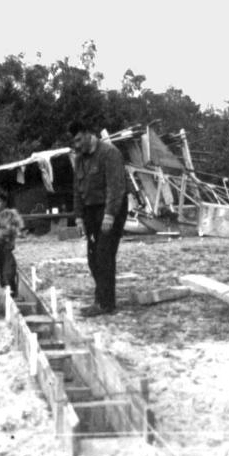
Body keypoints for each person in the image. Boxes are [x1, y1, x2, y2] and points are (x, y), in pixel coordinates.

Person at [69, 121, 128, 317]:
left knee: (104, 256)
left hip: (110, 209)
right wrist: (78, 217)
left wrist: (110, 215)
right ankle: (101, 299)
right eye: (74, 141)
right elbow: (78, 190)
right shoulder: (79, 159)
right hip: (90, 211)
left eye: (78, 140)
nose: (76, 145)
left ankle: (105, 304)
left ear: (88, 133)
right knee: (93, 258)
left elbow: (116, 187)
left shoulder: (109, 153)